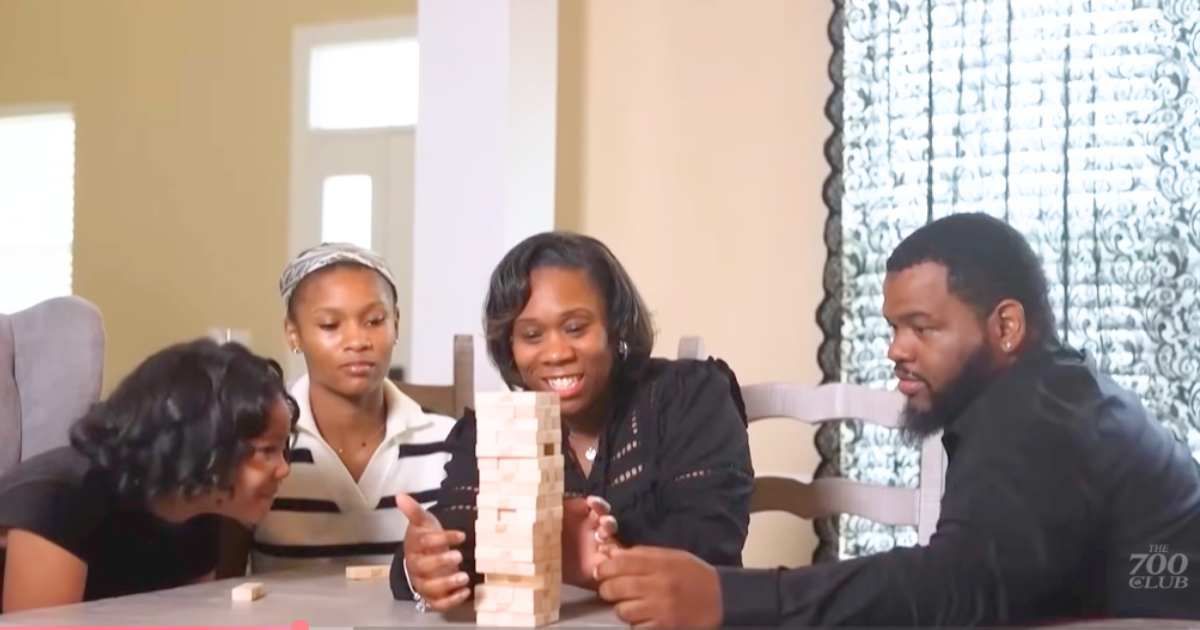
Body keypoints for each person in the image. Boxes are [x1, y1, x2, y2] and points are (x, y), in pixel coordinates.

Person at [594, 213, 1200, 626]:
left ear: (1006, 326)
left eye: (922, 327)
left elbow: (954, 583)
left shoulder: (1037, 418)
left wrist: (731, 597)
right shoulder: (1043, 391)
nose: (896, 349)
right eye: (893, 327)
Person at [391, 231, 754, 611]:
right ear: (510, 347)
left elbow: (711, 546)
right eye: (532, 335)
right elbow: (456, 533)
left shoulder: (688, 396)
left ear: (615, 327)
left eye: (576, 328)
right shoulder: (493, 429)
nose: (556, 353)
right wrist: (425, 564)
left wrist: (597, 561)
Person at [0, 339, 296, 613]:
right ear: (204, 446)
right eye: (267, 451)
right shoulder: (61, 498)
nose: (284, 469)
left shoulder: (200, 507)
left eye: (283, 450)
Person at [244, 243, 457, 573]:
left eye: (374, 321)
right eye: (330, 325)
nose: (357, 341)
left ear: (396, 323)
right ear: (293, 334)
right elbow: (219, 585)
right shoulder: (258, 445)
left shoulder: (449, 443)